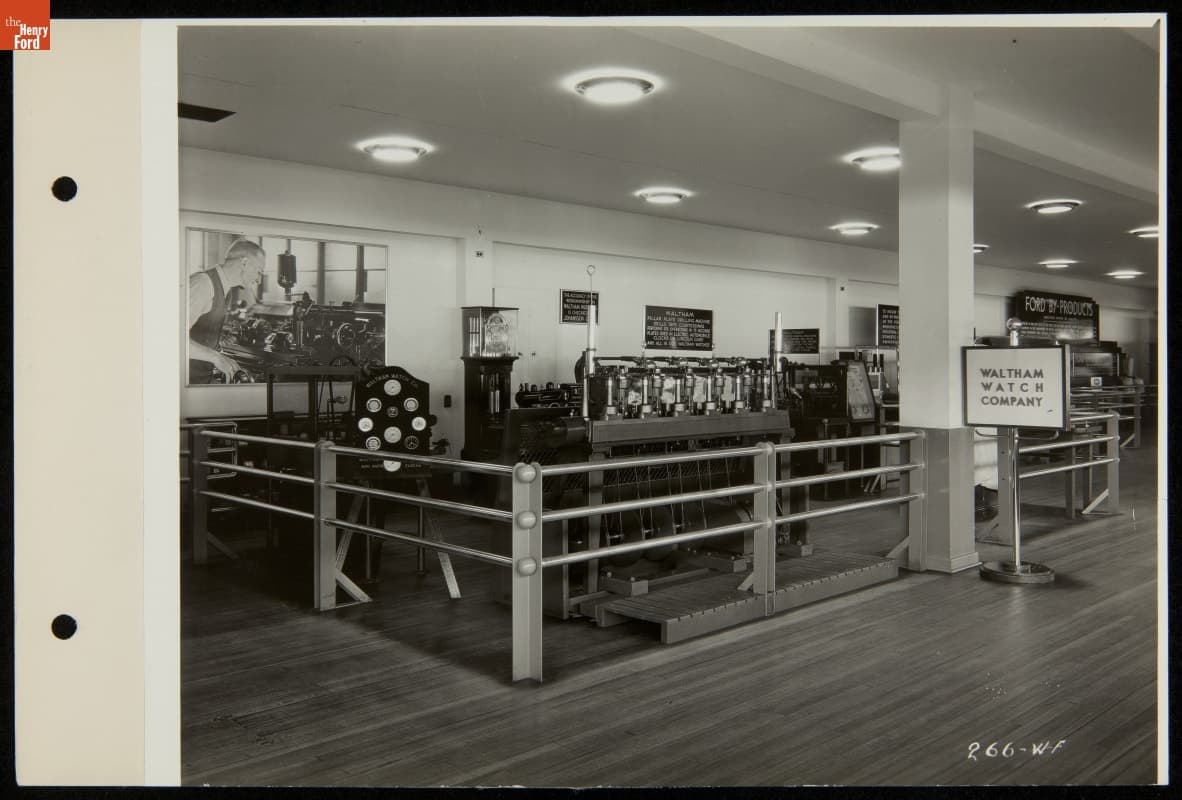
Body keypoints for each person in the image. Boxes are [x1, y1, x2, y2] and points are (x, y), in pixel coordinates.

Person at [188, 239, 266, 384]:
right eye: (259, 271)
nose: (259, 280)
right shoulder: (203, 284)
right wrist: (216, 357)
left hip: (200, 380)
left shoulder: (226, 289)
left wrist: (215, 339)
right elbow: (173, 339)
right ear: (244, 263)